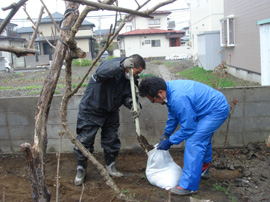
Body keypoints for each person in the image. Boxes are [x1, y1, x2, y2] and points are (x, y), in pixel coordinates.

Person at [138, 77, 229, 195]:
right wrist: (167, 133)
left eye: (153, 100)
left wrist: (170, 141)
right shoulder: (169, 91)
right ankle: (204, 168)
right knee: (202, 138)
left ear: (160, 92)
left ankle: (189, 186)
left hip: (216, 110)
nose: (154, 102)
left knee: (194, 141)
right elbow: (174, 114)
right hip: (206, 109)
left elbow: (189, 128)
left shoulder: (178, 97)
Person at [74, 54, 146, 186]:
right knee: (85, 141)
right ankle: (81, 168)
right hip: (92, 109)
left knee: (111, 140)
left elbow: (128, 94)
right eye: (137, 72)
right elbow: (102, 71)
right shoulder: (112, 66)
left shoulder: (129, 78)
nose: (136, 75)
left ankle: (111, 166)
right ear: (129, 66)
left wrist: (133, 104)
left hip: (111, 111)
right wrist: (120, 65)